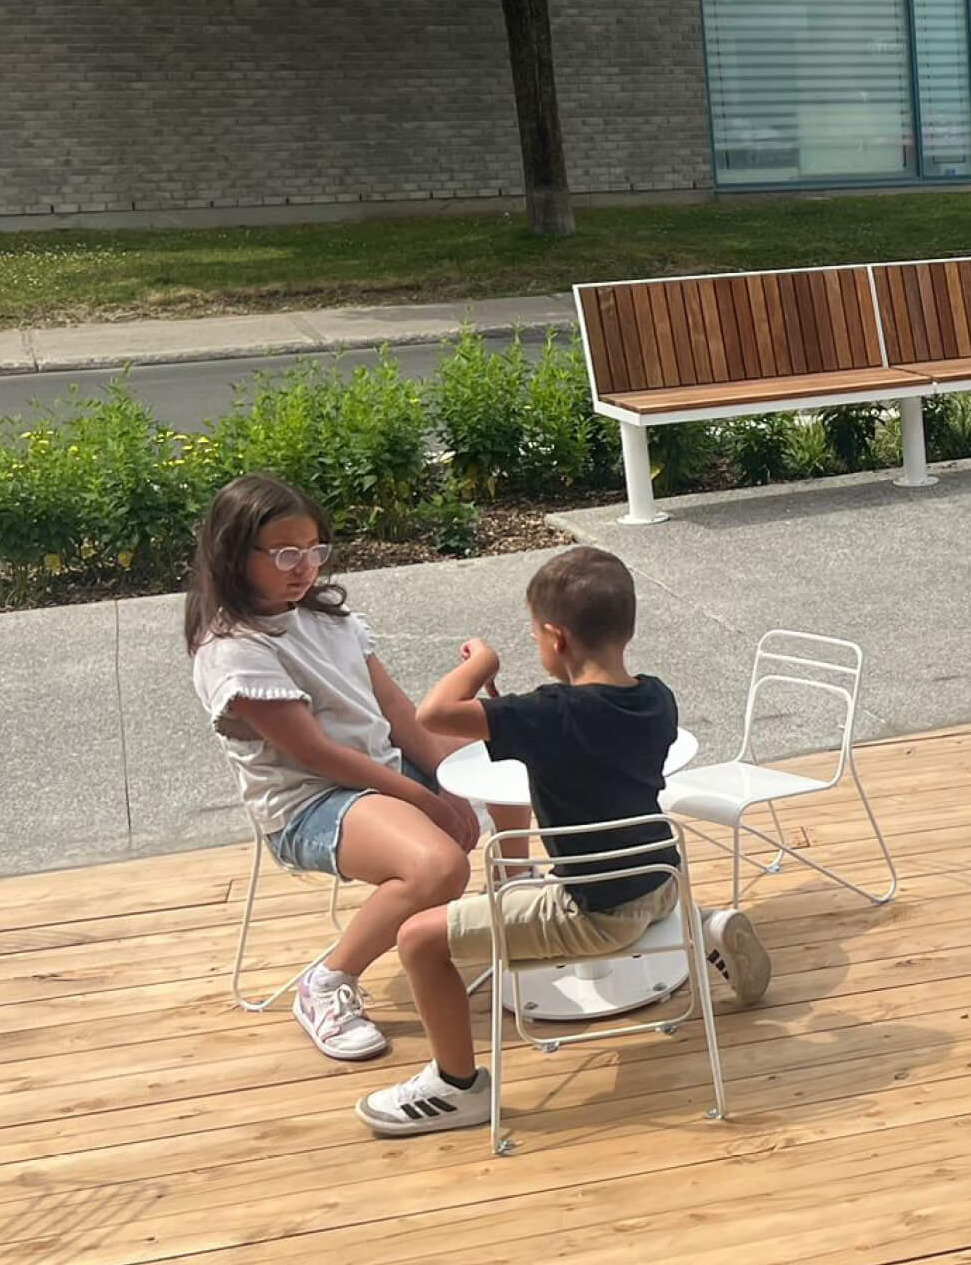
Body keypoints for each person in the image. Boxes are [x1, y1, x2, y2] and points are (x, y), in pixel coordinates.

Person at [357, 546, 772, 1136]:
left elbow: (434, 714)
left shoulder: (547, 715)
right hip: (662, 879)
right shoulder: (656, 698)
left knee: (419, 939)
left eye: (534, 638)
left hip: (597, 913)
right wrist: (510, 707)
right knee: (615, 894)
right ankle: (699, 926)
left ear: (555, 639)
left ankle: (457, 1087)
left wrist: (482, 662)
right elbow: (579, 744)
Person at [187, 473, 481, 1062]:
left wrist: (456, 779)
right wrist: (428, 800)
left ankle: (522, 910)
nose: (305, 567)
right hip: (313, 800)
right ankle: (327, 982)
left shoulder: (327, 617)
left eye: (314, 550)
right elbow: (317, 755)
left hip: (381, 769)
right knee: (437, 868)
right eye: (285, 554)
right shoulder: (234, 650)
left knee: (506, 740)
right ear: (233, 554)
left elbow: (396, 710)